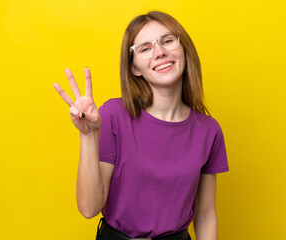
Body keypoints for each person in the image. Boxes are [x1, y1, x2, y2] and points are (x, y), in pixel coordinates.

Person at [54, 11, 229, 240]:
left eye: (167, 40)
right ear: (135, 68)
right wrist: (88, 136)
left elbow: (206, 216)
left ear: (184, 49)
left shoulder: (209, 131)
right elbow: (89, 208)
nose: (160, 52)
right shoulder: (113, 115)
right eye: (145, 48)